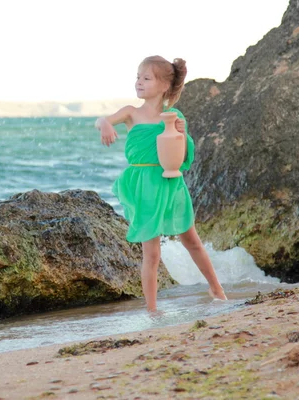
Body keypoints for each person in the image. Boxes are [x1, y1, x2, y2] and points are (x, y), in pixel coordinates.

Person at [95, 55, 227, 312]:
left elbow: (184, 153)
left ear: (164, 86)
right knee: (152, 252)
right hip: (142, 186)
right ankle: (152, 309)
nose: (139, 82)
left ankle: (217, 288)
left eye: (146, 78)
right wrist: (104, 126)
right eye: (137, 77)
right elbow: (103, 119)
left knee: (192, 240)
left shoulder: (173, 115)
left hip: (169, 182)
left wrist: (180, 132)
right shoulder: (131, 113)